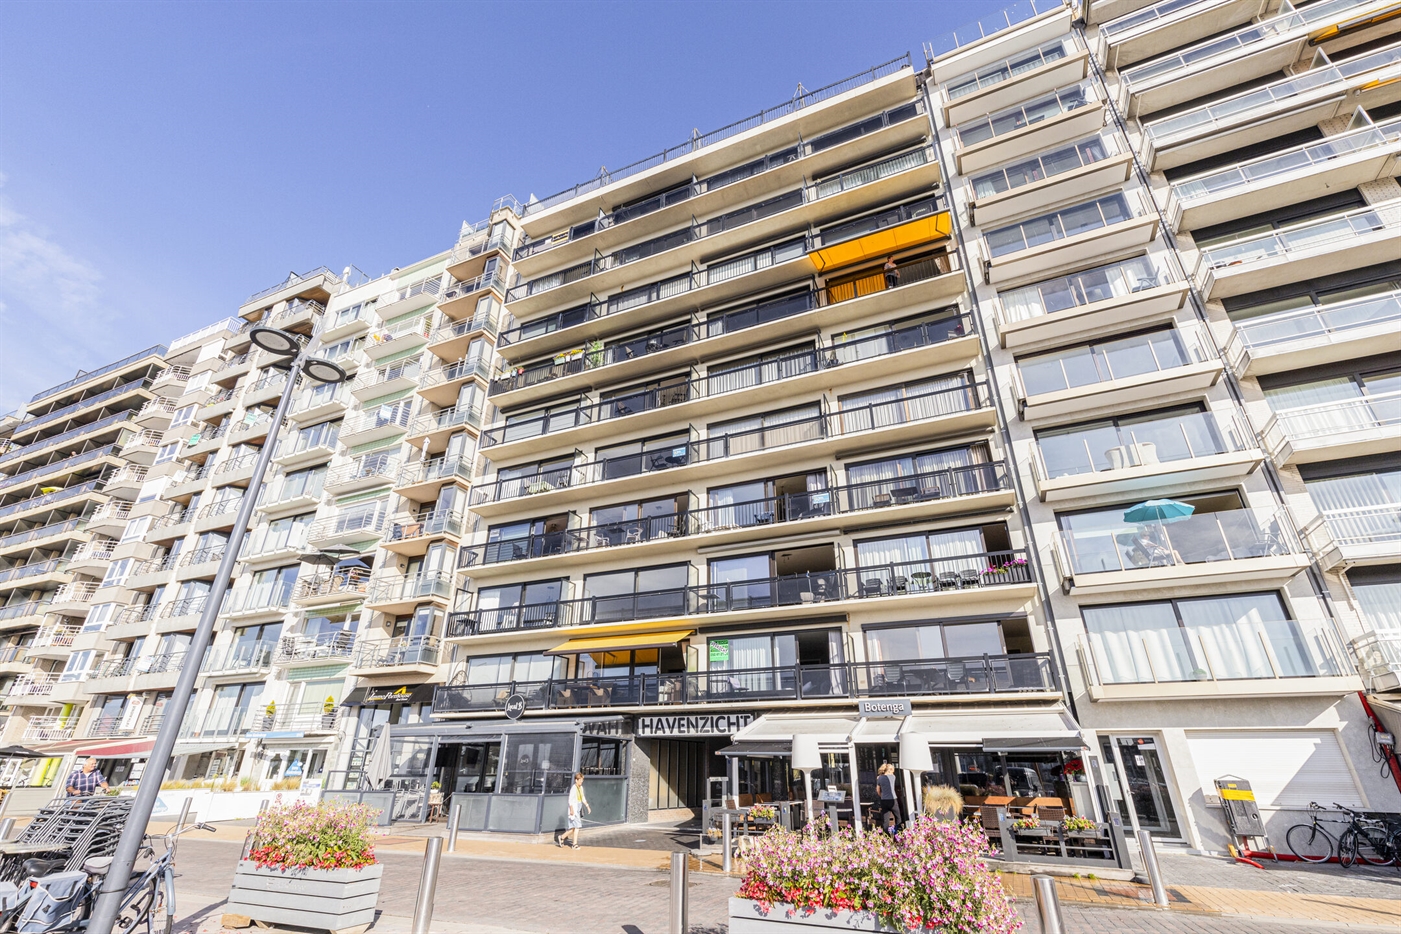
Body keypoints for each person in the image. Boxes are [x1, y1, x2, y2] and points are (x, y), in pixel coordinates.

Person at [560, 771, 590, 849]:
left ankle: (562, 837)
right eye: (580, 780)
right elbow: (570, 800)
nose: (581, 782)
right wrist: (571, 810)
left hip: (578, 808)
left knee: (573, 828)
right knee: (577, 827)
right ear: (576, 780)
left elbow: (582, 797)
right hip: (574, 809)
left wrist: (587, 806)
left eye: (582, 781)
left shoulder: (581, 788)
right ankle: (574, 844)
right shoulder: (574, 788)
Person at [874, 763, 899, 835]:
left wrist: (881, 796)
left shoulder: (880, 778)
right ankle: (897, 832)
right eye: (892, 771)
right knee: (898, 817)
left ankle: (886, 834)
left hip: (884, 800)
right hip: (893, 800)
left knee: (886, 820)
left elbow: (878, 790)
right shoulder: (893, 777)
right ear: (890, 770)